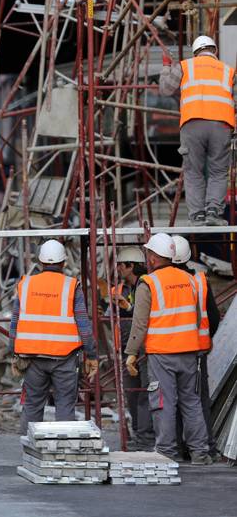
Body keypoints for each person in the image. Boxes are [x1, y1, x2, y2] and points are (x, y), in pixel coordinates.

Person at [124, 233, 212, 464]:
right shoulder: (190, 280)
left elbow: (140, 322)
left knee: (163, 402)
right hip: (189, 351)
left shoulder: (149, 283)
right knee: (191, 402)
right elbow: (195, 316)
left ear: (153, 257)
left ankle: (166, 452)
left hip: (162, 353)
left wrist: (131, 352)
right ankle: (200, 452)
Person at [10, 240, 98, 435]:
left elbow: (14, 322)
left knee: (32, 405)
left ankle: (28, 451)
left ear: (40, 262)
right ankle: (62, 453)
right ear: (63, 263)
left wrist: (13, 353)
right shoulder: (71, 286)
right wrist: (91, 355)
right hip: (65, 359)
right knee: (65, 406)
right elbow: (83, 324)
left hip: (33, 359)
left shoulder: (27, 284)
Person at [159, 35, 236, 226]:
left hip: (192, 125)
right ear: (214, 51)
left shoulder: (185, 66)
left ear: (195, 52)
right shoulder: (228, 71)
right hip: (222, 125)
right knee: (218, 172)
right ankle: (213, 213)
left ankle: (197, 216)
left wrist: (167, 66)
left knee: (193, 172)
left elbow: (165, 89)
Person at [172, 235, 221, 459]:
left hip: (168, 351)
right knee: (197, 401)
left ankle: (178, 448)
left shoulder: (159, 281)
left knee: (173, 401)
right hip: (198, 350)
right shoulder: (200, 281)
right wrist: (204, 338)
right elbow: (213, 316)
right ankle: (204, 447)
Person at [113, 246, 155, 451]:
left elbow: (144, 314)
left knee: (145, 393)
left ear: (131, 266)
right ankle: (139, 432)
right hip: (125, 347)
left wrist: (127, 308)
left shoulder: (147, 284)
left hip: (145, 348)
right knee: (131, 393)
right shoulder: (119, 289)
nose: (118, 269)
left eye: (121, 265)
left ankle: (146, 437)